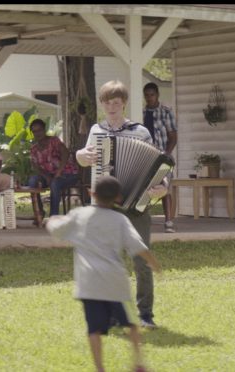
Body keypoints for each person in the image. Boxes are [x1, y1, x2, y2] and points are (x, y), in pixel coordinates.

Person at [76, 80, 169, 328]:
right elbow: (84, 157)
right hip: (106, 206)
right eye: (107, 102)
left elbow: (157, 166)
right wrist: (80, 156)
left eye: (116, 102)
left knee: (141, 260)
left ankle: (145, 315)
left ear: (124, 104)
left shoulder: (140, 132)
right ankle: (115, 314)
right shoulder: (96, 131)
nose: (112, 107)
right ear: (102, 104)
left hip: (137, 204)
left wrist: (162, 188)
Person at [46, 175, 161, 372]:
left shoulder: (79, 215)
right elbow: (138, 246)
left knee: (94, 330)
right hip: (116, 283)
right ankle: (138, 362)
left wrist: (51, 220)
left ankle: (100, 368)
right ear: (118, 197)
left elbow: (56, 229)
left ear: (92, 194)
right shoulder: (120, 219)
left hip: (89, 283)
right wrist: (154, 264)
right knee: (131, 324)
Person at [143, 82, 178, 233]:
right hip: (146, 156)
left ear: (157, 95)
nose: (149, 98)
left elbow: (173, 137)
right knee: (144, 188)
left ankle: (169, 221)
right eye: (146, 95)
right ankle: (142, 219)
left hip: (163, 155)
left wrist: (167, 154)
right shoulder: (142, 113)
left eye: (152, 94)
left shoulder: (166, 112)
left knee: (165, 188)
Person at [28, 118, 79, 220]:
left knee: (55, 183)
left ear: (44, 130)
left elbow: (66, 153)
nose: (38, 133)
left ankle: (53, 216)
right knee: (32, 181)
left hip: (67, 173)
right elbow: (36, 166)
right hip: (50, 175)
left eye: (40, 130)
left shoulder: (54, 141)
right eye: (34, 131)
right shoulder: (34, 149)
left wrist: (59, 171)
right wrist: (46, 177)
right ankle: (39, 212)